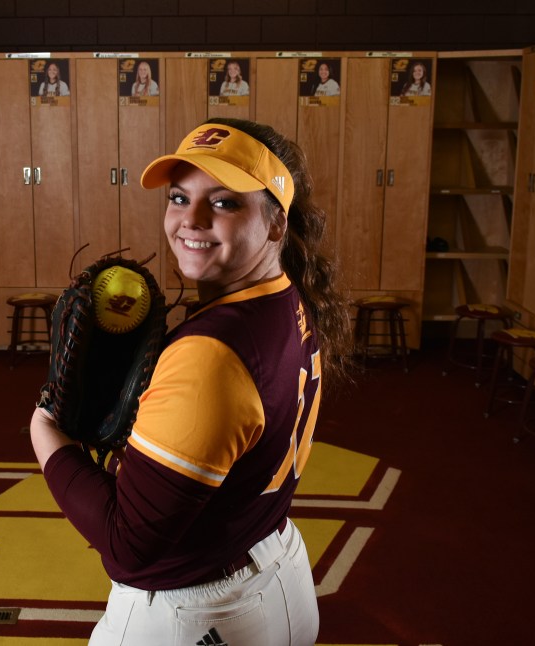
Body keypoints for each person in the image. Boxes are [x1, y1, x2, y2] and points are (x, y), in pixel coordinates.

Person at [30, 117, 352, 645]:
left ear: (275, 224)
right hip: (275, 568)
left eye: (225, 202)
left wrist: (44, 429)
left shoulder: (209, 355)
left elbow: (127, 546)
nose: (191, 219)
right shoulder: (288, 298)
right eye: (179, 197)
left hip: (195, 614)